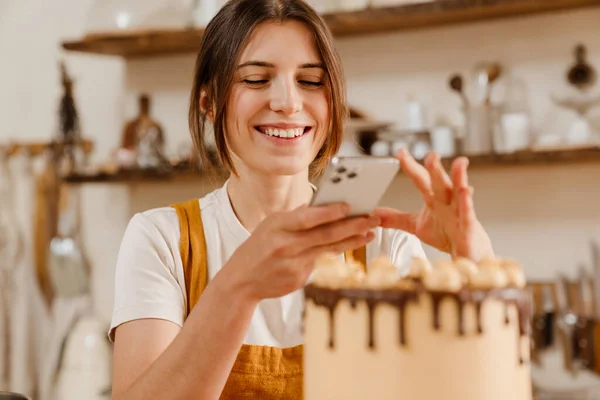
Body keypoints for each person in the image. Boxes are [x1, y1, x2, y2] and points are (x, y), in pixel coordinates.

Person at [109, 1, 495, 399]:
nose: (288, 103)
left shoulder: (384, 249)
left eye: (311, 82)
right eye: (257, 79)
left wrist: (477, 262)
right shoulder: (164, 240)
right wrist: (239, 285)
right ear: (209, 102)